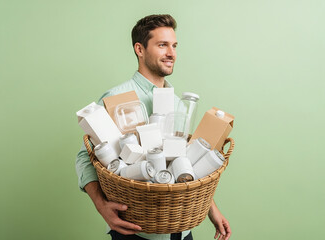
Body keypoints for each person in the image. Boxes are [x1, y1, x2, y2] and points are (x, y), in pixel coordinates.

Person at [76, 14, 232, 240]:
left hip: (181, 230)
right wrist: (102, 206)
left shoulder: (179, 104)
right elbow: (84, 157)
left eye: (174, 45)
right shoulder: (116, 98)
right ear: (139, 49)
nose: (172, 53)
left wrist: (212, 211)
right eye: (162, 45)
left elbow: (188, 163)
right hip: (137, 232)